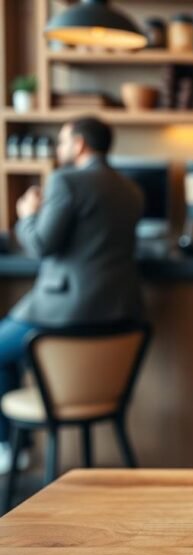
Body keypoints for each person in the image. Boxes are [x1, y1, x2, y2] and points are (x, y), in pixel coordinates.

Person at [0, 117, 144, 474]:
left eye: (63, 141)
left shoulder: (66, 180)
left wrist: (26, 216)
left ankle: (10, 447)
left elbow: (41, 244)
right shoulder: (131, 189)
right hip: (119, 314)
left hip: (61, 310)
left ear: (79, 144)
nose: (59, 148)